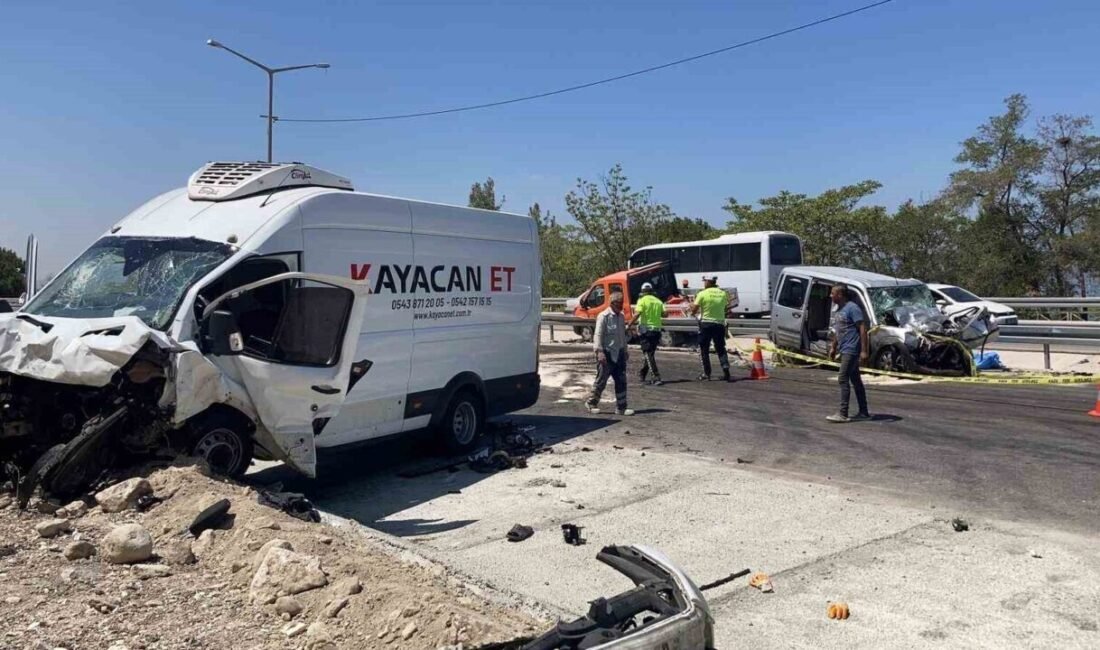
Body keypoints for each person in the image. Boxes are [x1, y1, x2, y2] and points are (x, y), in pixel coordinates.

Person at [585, 292, 635, 416]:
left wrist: (625, 350)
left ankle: (621, 407)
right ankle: (591, 403)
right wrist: (599, 351)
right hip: (606, 353)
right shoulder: (604, 316)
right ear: (612, 304)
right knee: (601, 380)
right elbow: (598, 335)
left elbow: (622, 336)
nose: (621, 306)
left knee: (621, 380)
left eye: (622, 303)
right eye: (619, 303)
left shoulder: (621, 317)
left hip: (619, 353)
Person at [826, 284, 870, 423]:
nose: (830, 296)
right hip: (843, 348)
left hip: (852, 349)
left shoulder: (852, 308)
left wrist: (864, 351)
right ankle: (864, 412)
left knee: (842, 378)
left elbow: (862, 329)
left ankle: (843, 413)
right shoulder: (838, 310)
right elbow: (837, 330)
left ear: (840, 295)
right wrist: (834, 347)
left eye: (833, 293)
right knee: (856, 380)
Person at [690, 275, 731, 381]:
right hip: (719, 325)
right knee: (721, 348)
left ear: (708, 282)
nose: (704, 283)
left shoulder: (702, 294)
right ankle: (726, 369)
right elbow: (727, 308)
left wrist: (693, 312)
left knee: (704, 349)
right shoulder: (723, 293)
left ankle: (706, 373)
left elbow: (694, 309)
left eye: (705, 281)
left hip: (706, 324)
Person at [631, 282, 665, 386]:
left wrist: (629, 324)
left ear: (642, 291)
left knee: (648, 353)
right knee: (650, 354)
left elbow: (637, 313)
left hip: (646, 331)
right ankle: (642, 373)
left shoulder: (642, 301)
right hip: (656, 331)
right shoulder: (659, 301)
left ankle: (656, 376)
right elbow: (665, 313)